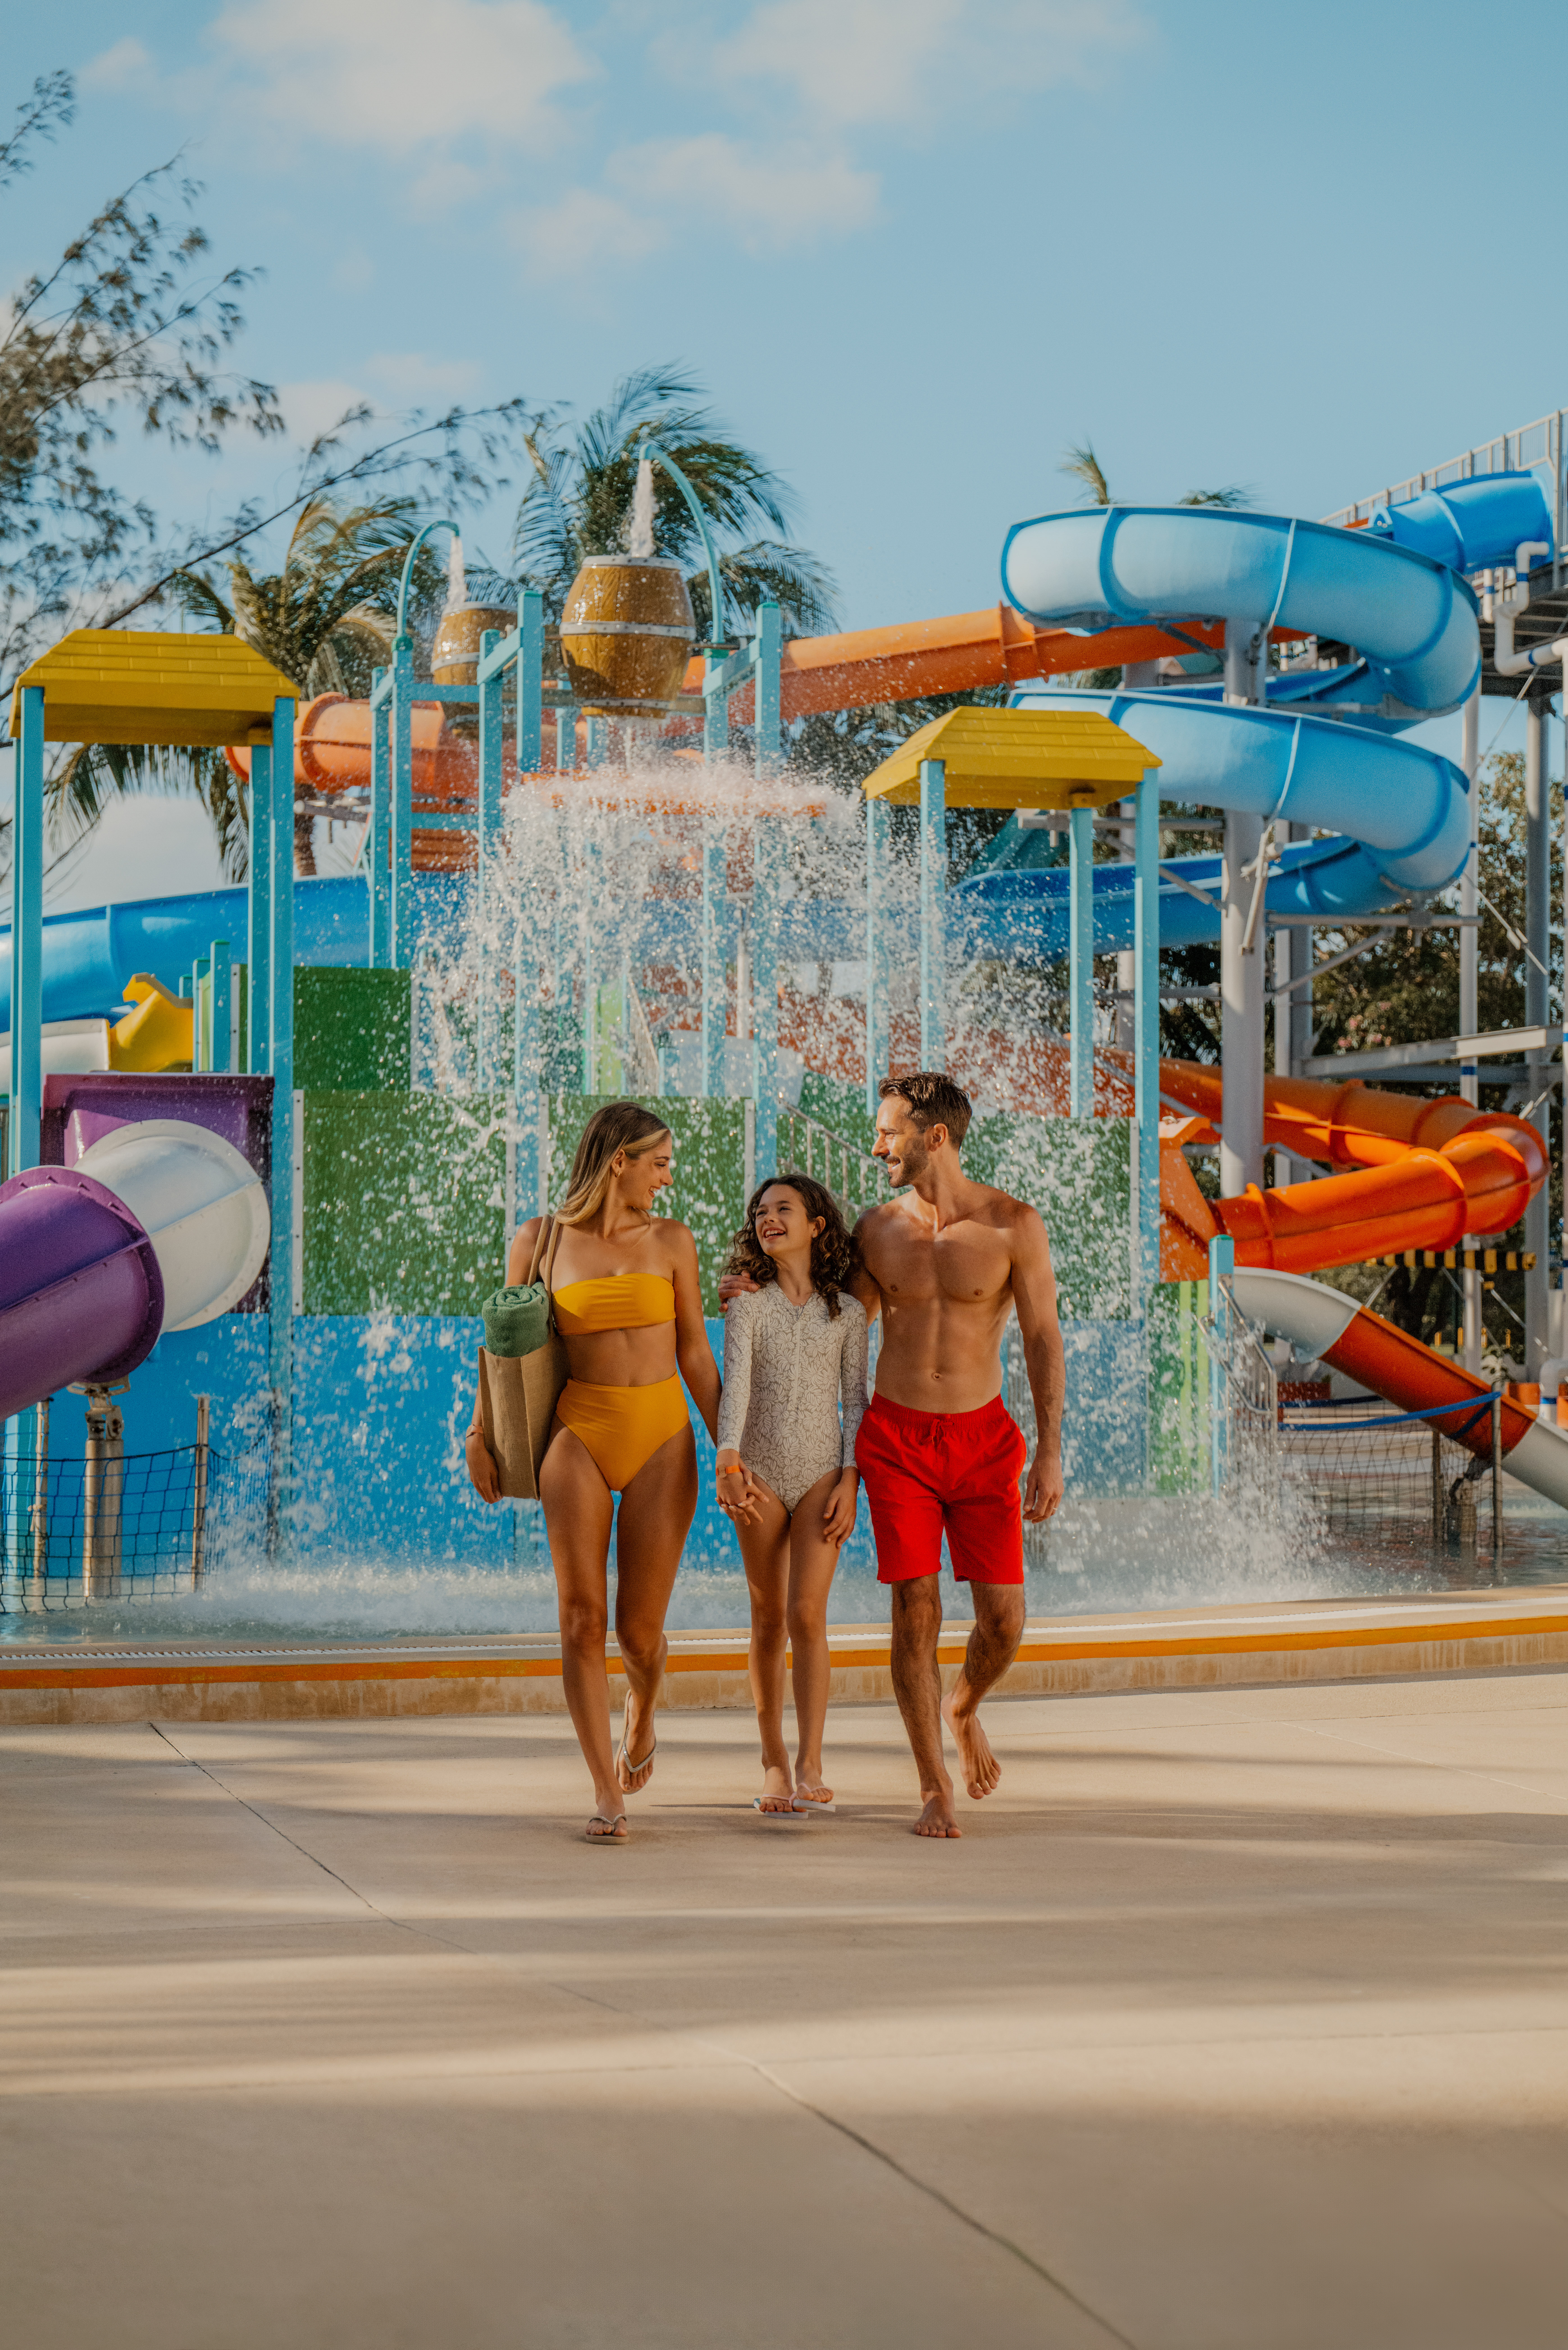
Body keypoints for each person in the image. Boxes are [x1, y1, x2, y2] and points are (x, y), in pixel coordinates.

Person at [721, 1071, 1064, 1839]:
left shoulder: (1014, 1226)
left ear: (933, 1136)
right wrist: (748, 1291)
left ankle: (965, 1704)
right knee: (915, 1610)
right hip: (899, 1439)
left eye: (888, 1131)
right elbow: (828, 1315)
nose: (876, 1144)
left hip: (982, 1440)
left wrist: (1049, 1451)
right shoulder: (878, 1231)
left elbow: (1042, 1338)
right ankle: (933, 1783)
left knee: (1003, 1622)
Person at [466, 1103, 720, 1843]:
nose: (668, 1181)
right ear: (621, 1163)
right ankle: (606, 1789)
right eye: (660, 1164)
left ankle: (643, 1710)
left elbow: (696, 1355)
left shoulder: (673, 1242)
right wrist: (480, 1432)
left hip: (662, 1437)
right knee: (581, 1621)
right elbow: (503, 1345)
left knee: (640, 1635)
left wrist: (733, 1447)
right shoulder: (539, 1240)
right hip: (578, 1432)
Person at [715, 1174, 868, 1818]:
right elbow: (737, 1390)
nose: (767, 1217)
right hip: (758, 1474)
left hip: (821, 1477)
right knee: (767, 1615)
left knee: (808, 1615)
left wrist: (851, 1477)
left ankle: (810, 1760)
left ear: (817, 1226)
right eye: (759, 1211)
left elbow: (856, 1401)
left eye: (783, 1208)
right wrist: (727, 1458)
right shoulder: (747, 1305)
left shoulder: (849, 1313)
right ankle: (773, 1759)